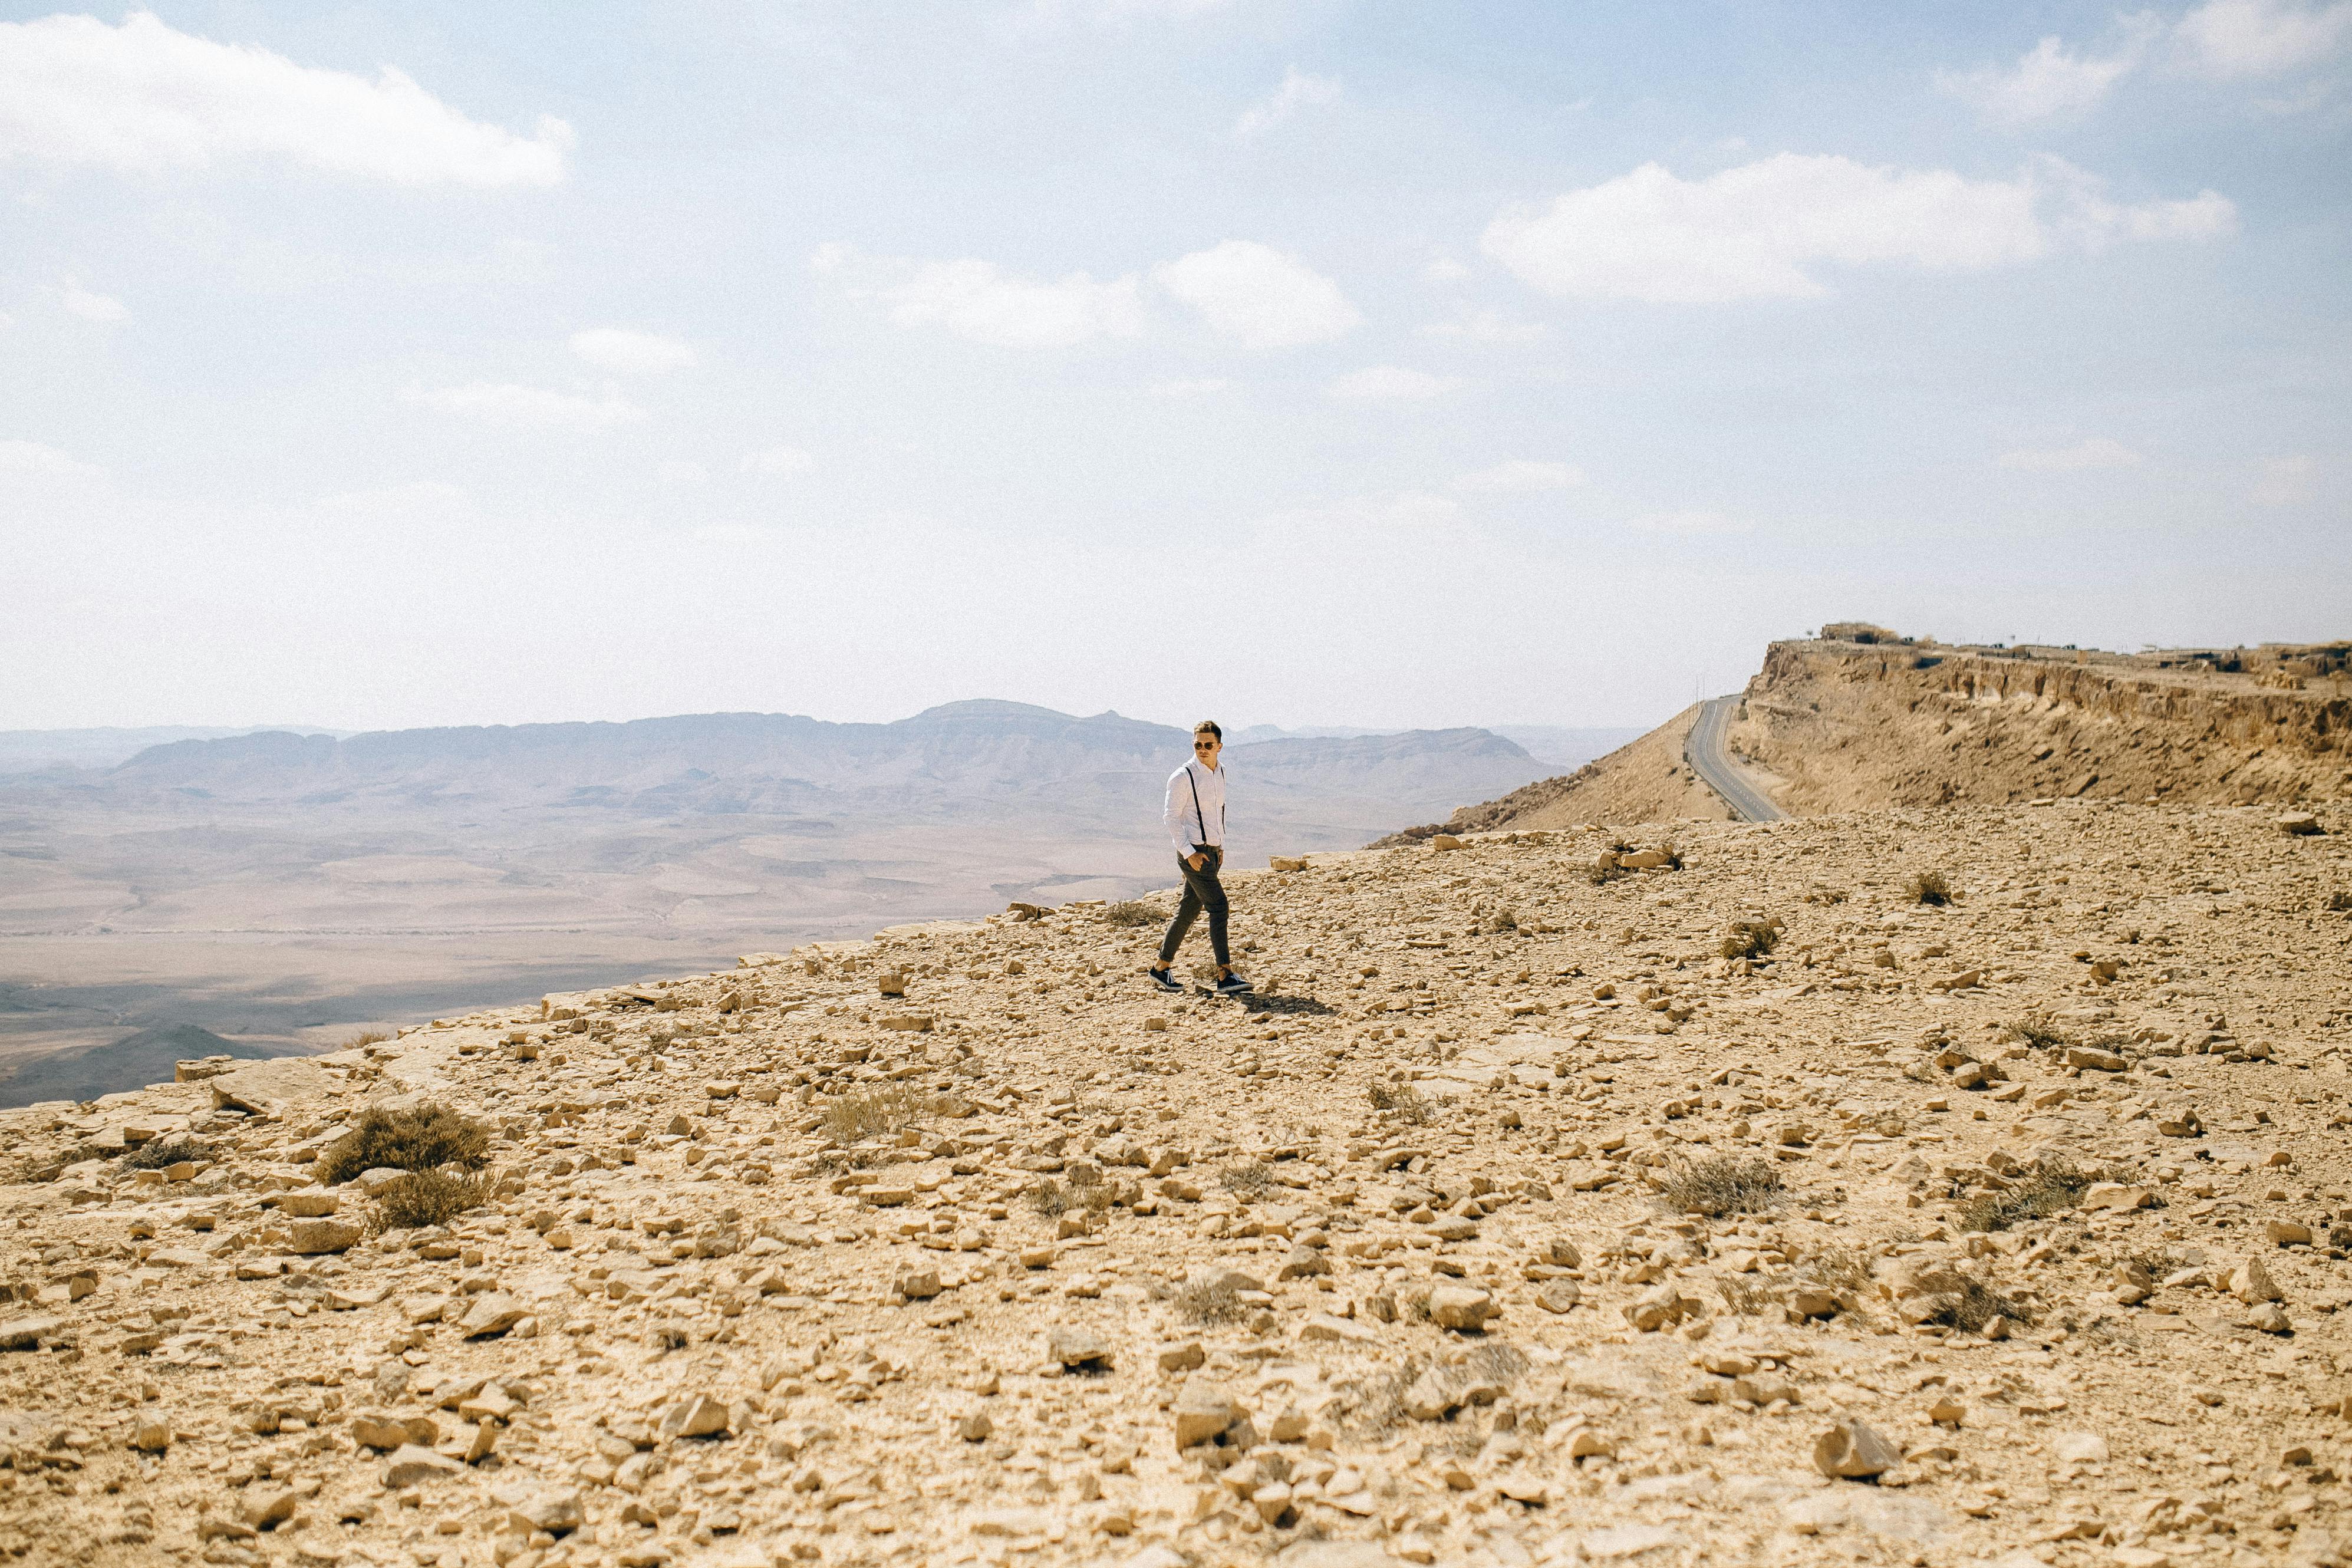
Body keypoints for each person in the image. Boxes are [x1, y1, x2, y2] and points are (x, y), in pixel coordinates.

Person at [1148, 720, 1251, 996]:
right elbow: (1170, 817)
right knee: (1219, 907)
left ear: (1220, 746)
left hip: (1211, 853)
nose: (1203, 750)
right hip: (1194, 854)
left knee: (1189, 911)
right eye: (1198, 745)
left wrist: (1221, 847)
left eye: (1208, 745)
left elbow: (1218, 812)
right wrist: (1190, 853)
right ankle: (1225, 974)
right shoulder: (1183, 776)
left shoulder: (1220, 772)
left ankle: (1160, 969)